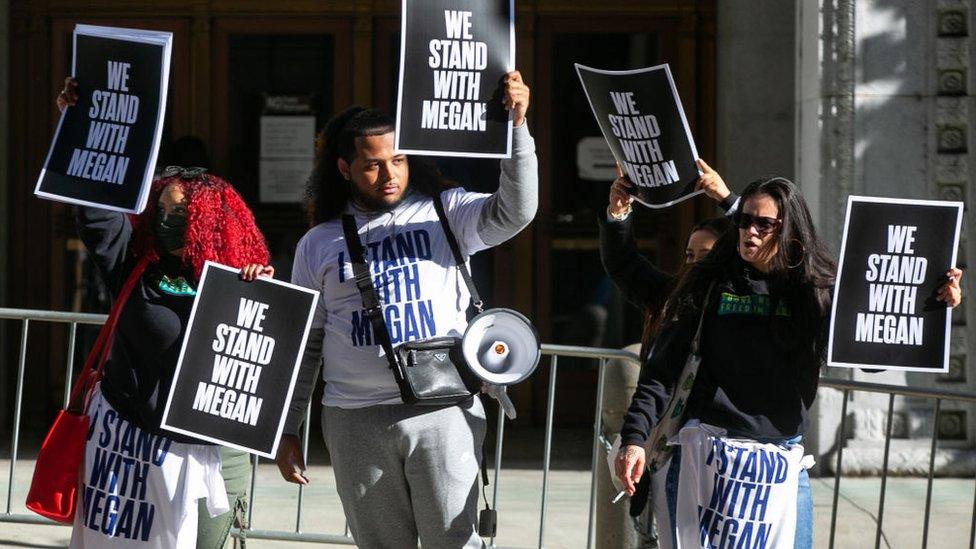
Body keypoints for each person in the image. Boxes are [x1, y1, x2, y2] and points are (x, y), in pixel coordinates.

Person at [612, 176, 963, 547]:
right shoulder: (707, 283)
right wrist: (634, 439)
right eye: (744, 221)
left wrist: (932, 304)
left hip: (782, 466)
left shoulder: (817, 293)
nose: (750, 231)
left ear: (790, 230)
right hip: (706, 461)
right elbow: (660, 373)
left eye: (764, 224)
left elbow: (870, 355)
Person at [276, 70, 536, 548]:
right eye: (373, 165)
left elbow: (515, 211)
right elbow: (305, 345)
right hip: (354, 420)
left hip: (443, 410)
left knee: (455, 543)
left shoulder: (446, 213)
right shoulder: (317, 244)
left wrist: (517, 129)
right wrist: (287, 428)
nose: (390, 174)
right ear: (344, 168)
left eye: (399, 159)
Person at [59, 78, 257, 549]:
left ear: (210, 223)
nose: (170, 223)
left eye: (183, 215)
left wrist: (257, 295)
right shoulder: (131, 264)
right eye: (162, 213)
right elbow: (94, 212)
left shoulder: (238, 282)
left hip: (207, 451)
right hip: (125, 445)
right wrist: (79, 125)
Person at [599, 160, 733, 547]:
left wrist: (728, 200)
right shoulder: (673, 297)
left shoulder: (746, 310)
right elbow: (624, 264)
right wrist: (618, 212)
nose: (693, 266)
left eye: (706, 257)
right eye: (689, 256)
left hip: (720, 462)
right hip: (663, 457)